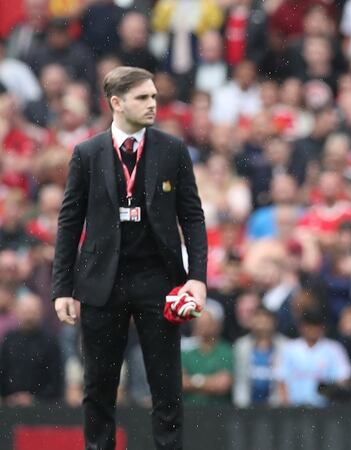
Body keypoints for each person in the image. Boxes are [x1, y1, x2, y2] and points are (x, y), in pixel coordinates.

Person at [51, 66, 208, 450]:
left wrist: (197, 277)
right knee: (99, 388)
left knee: (167, 386)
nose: (153, 104)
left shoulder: (172, 149)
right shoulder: (86, 153)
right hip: (102, 280)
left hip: (158, 278)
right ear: (116, 103)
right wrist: (62, 287)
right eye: (143, 98)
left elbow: (192, 216)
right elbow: (69, 222)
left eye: (154, 96)